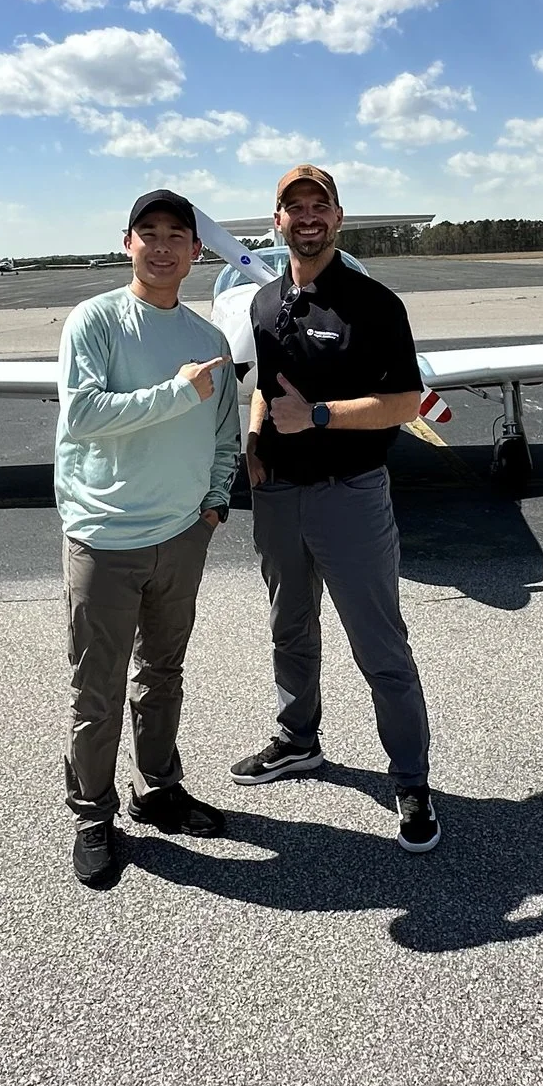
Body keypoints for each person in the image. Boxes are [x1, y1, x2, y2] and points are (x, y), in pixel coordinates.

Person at [229, 164, 441, 853]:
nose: (307, 216)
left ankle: (410, 780)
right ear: (278, 220)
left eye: (319, 204)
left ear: (338, 217)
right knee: (289, 628)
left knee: (381, 648)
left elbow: (406, 403)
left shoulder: (376, 304)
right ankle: (297, 740)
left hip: (350, 495)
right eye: (295, 206)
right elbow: (266, 382)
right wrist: (257, 440)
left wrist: (316, 415)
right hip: (279, 497)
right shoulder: (264, 302)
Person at [54, 189, 241, 888]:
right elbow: (85, 417)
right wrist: (175, 393)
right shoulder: (95, 320)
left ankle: (159, 787)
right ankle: (92, 813)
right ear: (127, 242)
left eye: (176, 236)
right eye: (148, 233)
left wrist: (214, 504)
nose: (162, 247)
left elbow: (225, 430)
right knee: (95, 688)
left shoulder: (210, 340)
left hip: (182, 535)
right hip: (103, 538)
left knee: (163, 673)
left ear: (196, 251)